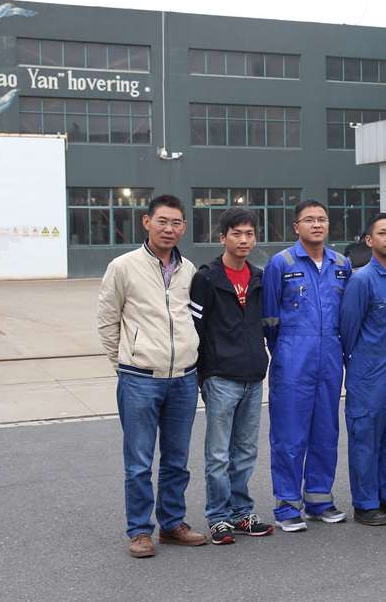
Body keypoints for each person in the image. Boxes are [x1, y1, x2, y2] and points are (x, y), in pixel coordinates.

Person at [97, 194, 206, 558]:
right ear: (146, 222)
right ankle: (140, 531)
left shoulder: (189, 270)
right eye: (162, 221)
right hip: (139, 379)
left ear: (184, 227)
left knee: (176, 460)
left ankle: (172, 524)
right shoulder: (123, 267)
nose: (168, 229)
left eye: (176, 223)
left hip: (183, 379)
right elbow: (107, 320)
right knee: (139, 462)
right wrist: (124, 363)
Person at [262, 199, 352, 531]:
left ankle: (319, 500)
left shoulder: (341, 264)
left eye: (322, 219)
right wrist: (286, 350)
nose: (317, 225)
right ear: (296, 226)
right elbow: (270, 318)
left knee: (325, 431)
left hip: (330, 357)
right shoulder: (281, 264)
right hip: (292, 358)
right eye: (309, 220)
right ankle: (287, 505)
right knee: (289, 434)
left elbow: (347, 314)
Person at [189, 207, 274, 545]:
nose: (243, 240)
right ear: (222, 237)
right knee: (218, 454)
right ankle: (218, 516)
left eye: (249, 234)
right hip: (221, 376)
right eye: (236, 234)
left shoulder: (259, 277)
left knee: (246, 451)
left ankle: (241, 513)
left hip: (253, 376)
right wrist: (202, 375)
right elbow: (195, 329)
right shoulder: (207, 278)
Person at [340, 213, 386, 526]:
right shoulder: (361, 280)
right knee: (365, 438)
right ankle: (365, 503)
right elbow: (348, 329)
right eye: (382, 233)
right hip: (369, 373)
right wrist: (359, 368)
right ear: (369, 241)